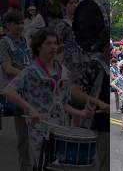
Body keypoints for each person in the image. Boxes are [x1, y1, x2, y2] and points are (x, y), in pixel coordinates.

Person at [3, 28, 93, 170]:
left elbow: (63, 104)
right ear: (39, 46)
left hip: (60, 126)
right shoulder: (30, 71)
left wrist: (81, 113)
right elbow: (8, 90)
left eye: (55, 43)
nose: (53, 47)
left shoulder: (63, 71)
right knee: (42, 164)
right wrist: (30, 108)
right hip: (39, 128)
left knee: (59, 166)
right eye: (49, 43)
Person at [0, 9, 32, 171]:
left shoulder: (25, 41)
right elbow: (7, 68)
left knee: (34, 131)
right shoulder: (4, 42)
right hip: (15, 91)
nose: (20, 26)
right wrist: (28, 74)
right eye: (16, 23)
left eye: (22, 23)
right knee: (23, 135)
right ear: (8, 25)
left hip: (29, 90)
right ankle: (25, 167)